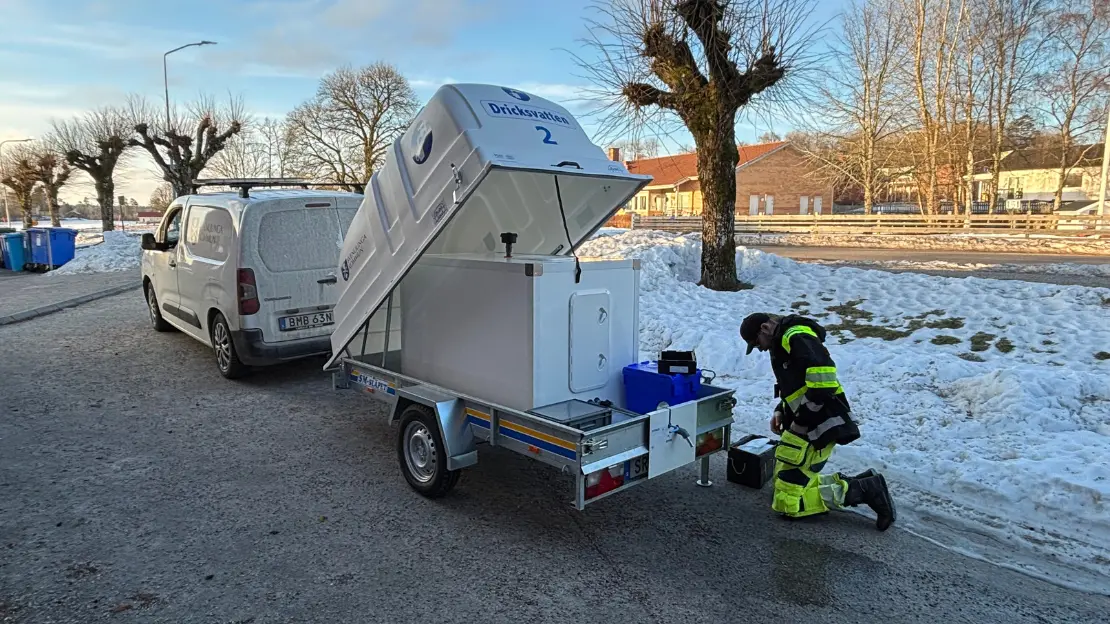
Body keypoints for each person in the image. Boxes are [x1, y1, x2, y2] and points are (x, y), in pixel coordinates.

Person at [740, 312, 896, 531]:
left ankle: (865, 490)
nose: (760, 348)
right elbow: (797, 385)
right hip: (804, 422)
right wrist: (780, 410)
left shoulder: (796, 337)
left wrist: (801, 422)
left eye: (756, 343)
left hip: (819, 423)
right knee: (784, 485)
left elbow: (823, 383)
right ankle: (862, 484)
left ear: (765, 328)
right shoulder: (783, 341)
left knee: (787, 503)